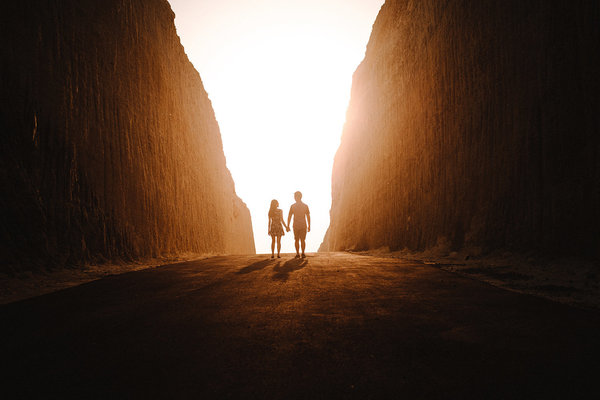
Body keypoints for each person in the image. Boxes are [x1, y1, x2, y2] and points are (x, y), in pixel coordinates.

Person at [287, 191, 310, 258]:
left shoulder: (292, 206)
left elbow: (289, 216)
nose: (294, 198)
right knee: (302, 239)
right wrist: (309, 225)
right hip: (303, 225)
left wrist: (288, 225)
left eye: (295, 196)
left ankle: (298, 253)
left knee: (297, 240)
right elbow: (308, 216)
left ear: (297, 197)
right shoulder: (305, 206)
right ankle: (302, 253)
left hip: (296, 225)